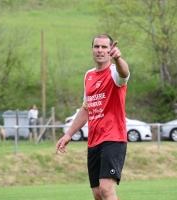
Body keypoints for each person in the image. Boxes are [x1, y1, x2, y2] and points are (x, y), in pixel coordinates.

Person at [56, 34, 130, 200]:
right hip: (94, 140)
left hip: (113, 138)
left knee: (106, 189)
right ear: (92, 49)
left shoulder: (114, 72)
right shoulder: (88, 76)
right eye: (97, 46)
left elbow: (124, 73)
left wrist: (118, 59)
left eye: (104, 47)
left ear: (110, 50)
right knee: (97, 194)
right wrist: (69, 134)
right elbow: (86, 108)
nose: (100, 50)